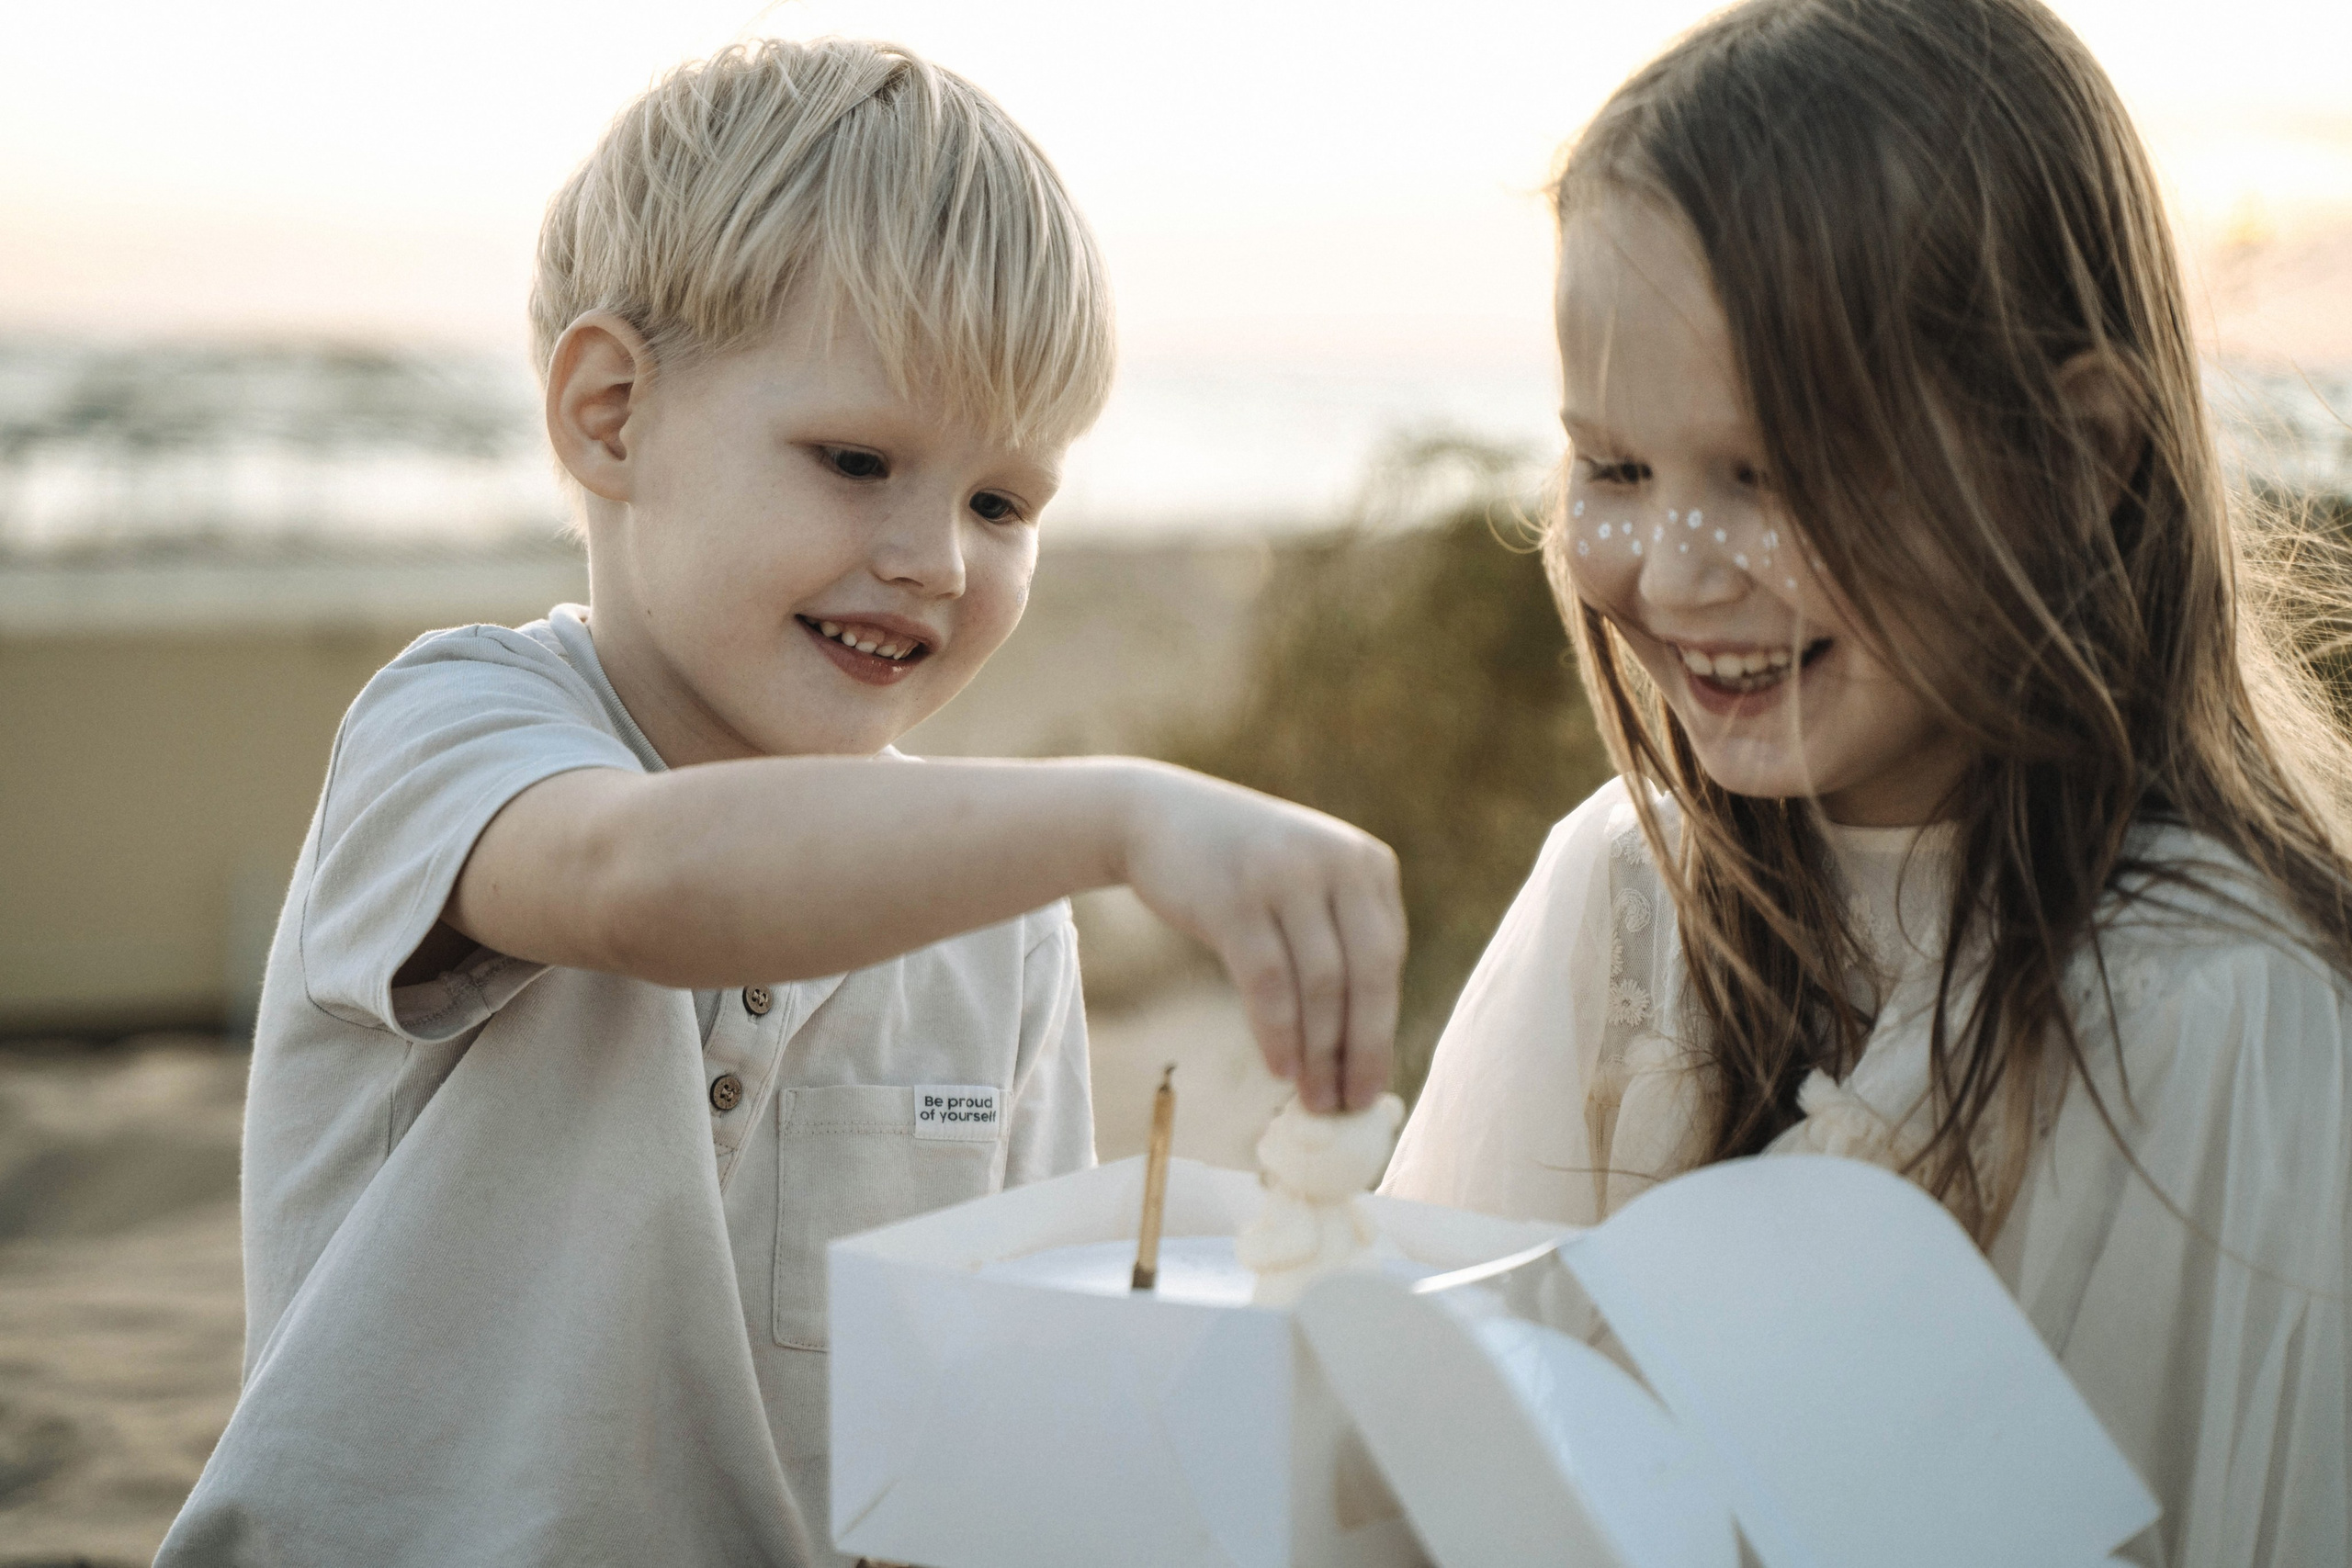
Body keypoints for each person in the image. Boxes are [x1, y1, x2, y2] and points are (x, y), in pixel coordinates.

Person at [158, 39, 1402, 1568]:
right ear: (610, 416)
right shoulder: (455, 729)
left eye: (1002, 502)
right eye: (858, 458)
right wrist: (1124, 814)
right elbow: (641, 886)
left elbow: (998, 1409)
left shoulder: (999, 925)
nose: (939, 557)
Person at [1381, 2, 2348, 1562]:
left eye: (1769, 473)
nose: (1676, 575)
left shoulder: (2207, 1012)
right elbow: (1427, 1463)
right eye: (1616, 470)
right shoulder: (1626, 893)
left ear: (2074, 456)